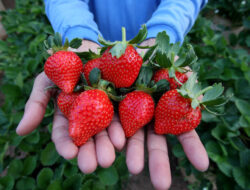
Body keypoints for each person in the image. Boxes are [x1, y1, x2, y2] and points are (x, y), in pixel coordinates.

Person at [16, 0, 209, 189]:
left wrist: (163, 34)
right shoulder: (96, 74)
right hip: (97, 47)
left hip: (145, 49)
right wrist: (79, 35)